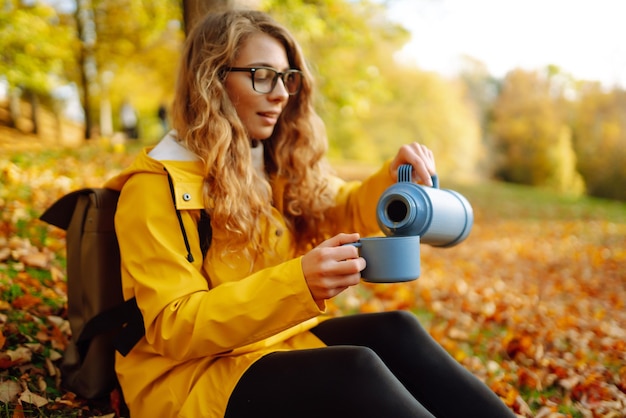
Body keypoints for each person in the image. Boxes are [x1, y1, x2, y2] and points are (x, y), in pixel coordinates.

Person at [103, 9, 516, 418]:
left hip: (265, 345)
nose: (281, 93)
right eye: (261, 75)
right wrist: (299, 282)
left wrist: (392, 180)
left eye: (287, 78)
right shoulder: (156, 186)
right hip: (186, 380)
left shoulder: (272, 162)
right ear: (211, 80)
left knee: (395, 330)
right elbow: (173, 327)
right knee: (352, 371)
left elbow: (342, 206)